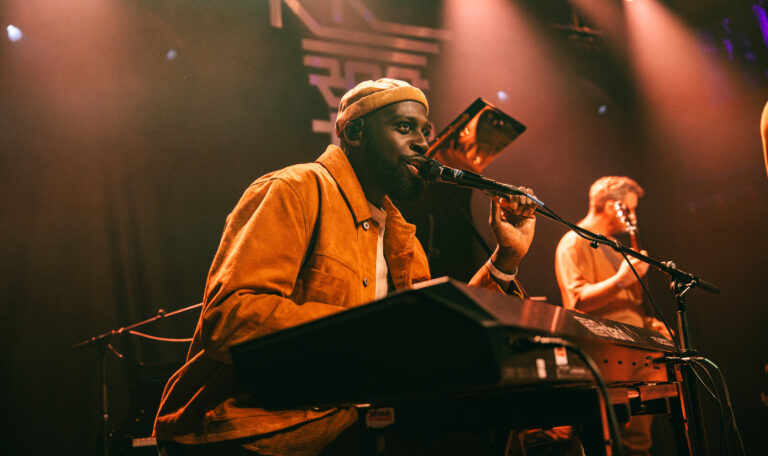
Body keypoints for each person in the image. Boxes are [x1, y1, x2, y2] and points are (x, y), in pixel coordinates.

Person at [153, 78, 537, 455]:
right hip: (264, 426)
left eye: (425, 130)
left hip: (355, 417)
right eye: (404, 127)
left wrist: (506, 259)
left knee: (523, 429)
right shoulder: (295, 189)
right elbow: (230, 320)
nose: (422, 142)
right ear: (354, 133)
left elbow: (435, 338)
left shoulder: (402, 235)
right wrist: (369, 332)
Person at [554, 176, 670, 456]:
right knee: (611, 441)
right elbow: (577, 300)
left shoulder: (617, 248)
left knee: (639, 443)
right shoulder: (574, 242)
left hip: (638, 358)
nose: (633, 217)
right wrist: (620, 281)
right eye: (629, 209)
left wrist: (652, 326)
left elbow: (627, 306)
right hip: (604, 361)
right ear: (609, 205)